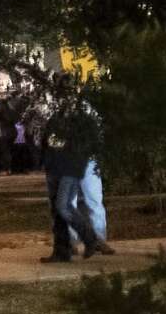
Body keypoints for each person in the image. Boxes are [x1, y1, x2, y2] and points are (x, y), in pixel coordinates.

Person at [40, 80, 112, 262]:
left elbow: (89, 141)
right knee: (58, 211)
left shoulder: (83, 116)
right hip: (55, 166)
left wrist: (71, 151)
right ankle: (62, 250)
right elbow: (47, 138)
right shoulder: (56, 113)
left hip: (71, 166)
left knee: (65, 206)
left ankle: (92, 239)